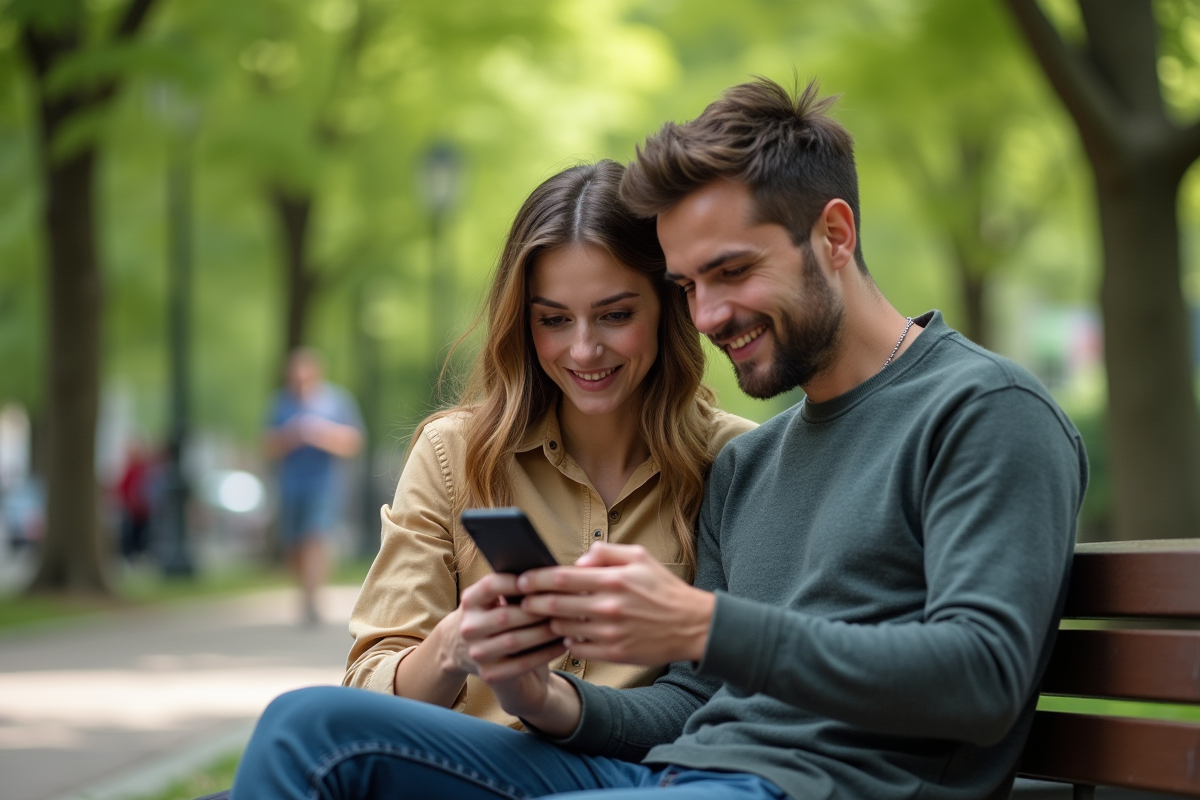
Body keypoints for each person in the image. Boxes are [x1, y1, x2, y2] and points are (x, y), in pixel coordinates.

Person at [232, 79, 1088, 800]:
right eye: (688, 285)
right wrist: (545, 696)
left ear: (834, 235)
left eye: (733, 271)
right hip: (675, 777)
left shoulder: (984, 410)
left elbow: (982, 678)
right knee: (307, 730)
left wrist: (700, 622)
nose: (709, 316)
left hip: (798, 789)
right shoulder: (753, 464)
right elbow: (693, 705)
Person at [342, 160, 755, 727]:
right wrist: (453, 644)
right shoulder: (453, 454)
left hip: (634, 776)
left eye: (615, 315)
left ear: (668, 307)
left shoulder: (737, 461)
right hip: (465, 770)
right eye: (555, 320)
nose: (584, 350)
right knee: (305, 723)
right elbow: (364, 696)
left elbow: (740, 690)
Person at [264, 348, 364, 625]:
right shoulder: (281, 403)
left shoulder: (336, 401)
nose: (300, 380)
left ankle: (312, 598)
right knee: (295, 544)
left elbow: (354, 442)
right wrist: (291, 436)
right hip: (291, 486)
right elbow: (267, 445)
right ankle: (305, 591)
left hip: (325, 485)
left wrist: (322, 434)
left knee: (315, 537)